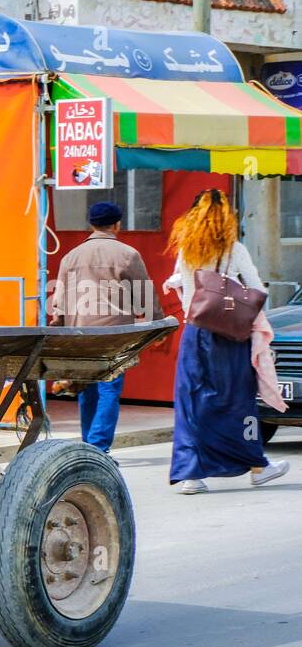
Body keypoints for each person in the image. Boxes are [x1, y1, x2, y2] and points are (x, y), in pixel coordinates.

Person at [162, 188, 289, 494]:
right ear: (226, 219)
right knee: (236, 401)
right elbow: (259, 290)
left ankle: (191, 475)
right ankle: (257, 467)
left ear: (195, 216)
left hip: (195, 333)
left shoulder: (186, 250)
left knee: (192, 401)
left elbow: (182, 286)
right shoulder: (235, 250)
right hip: (230, 337)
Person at [48, 201, 154, 454]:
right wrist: (154, 324)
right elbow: (145, 297)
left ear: (91, 224)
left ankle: (89, 445)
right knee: (109, 388)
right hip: (114, 336)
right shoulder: (127, 254)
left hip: (80, 333)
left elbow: (59, 300)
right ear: (117, 224)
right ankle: (98, 447)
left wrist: (59, 326)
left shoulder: (70, 256)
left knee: (86, 386)